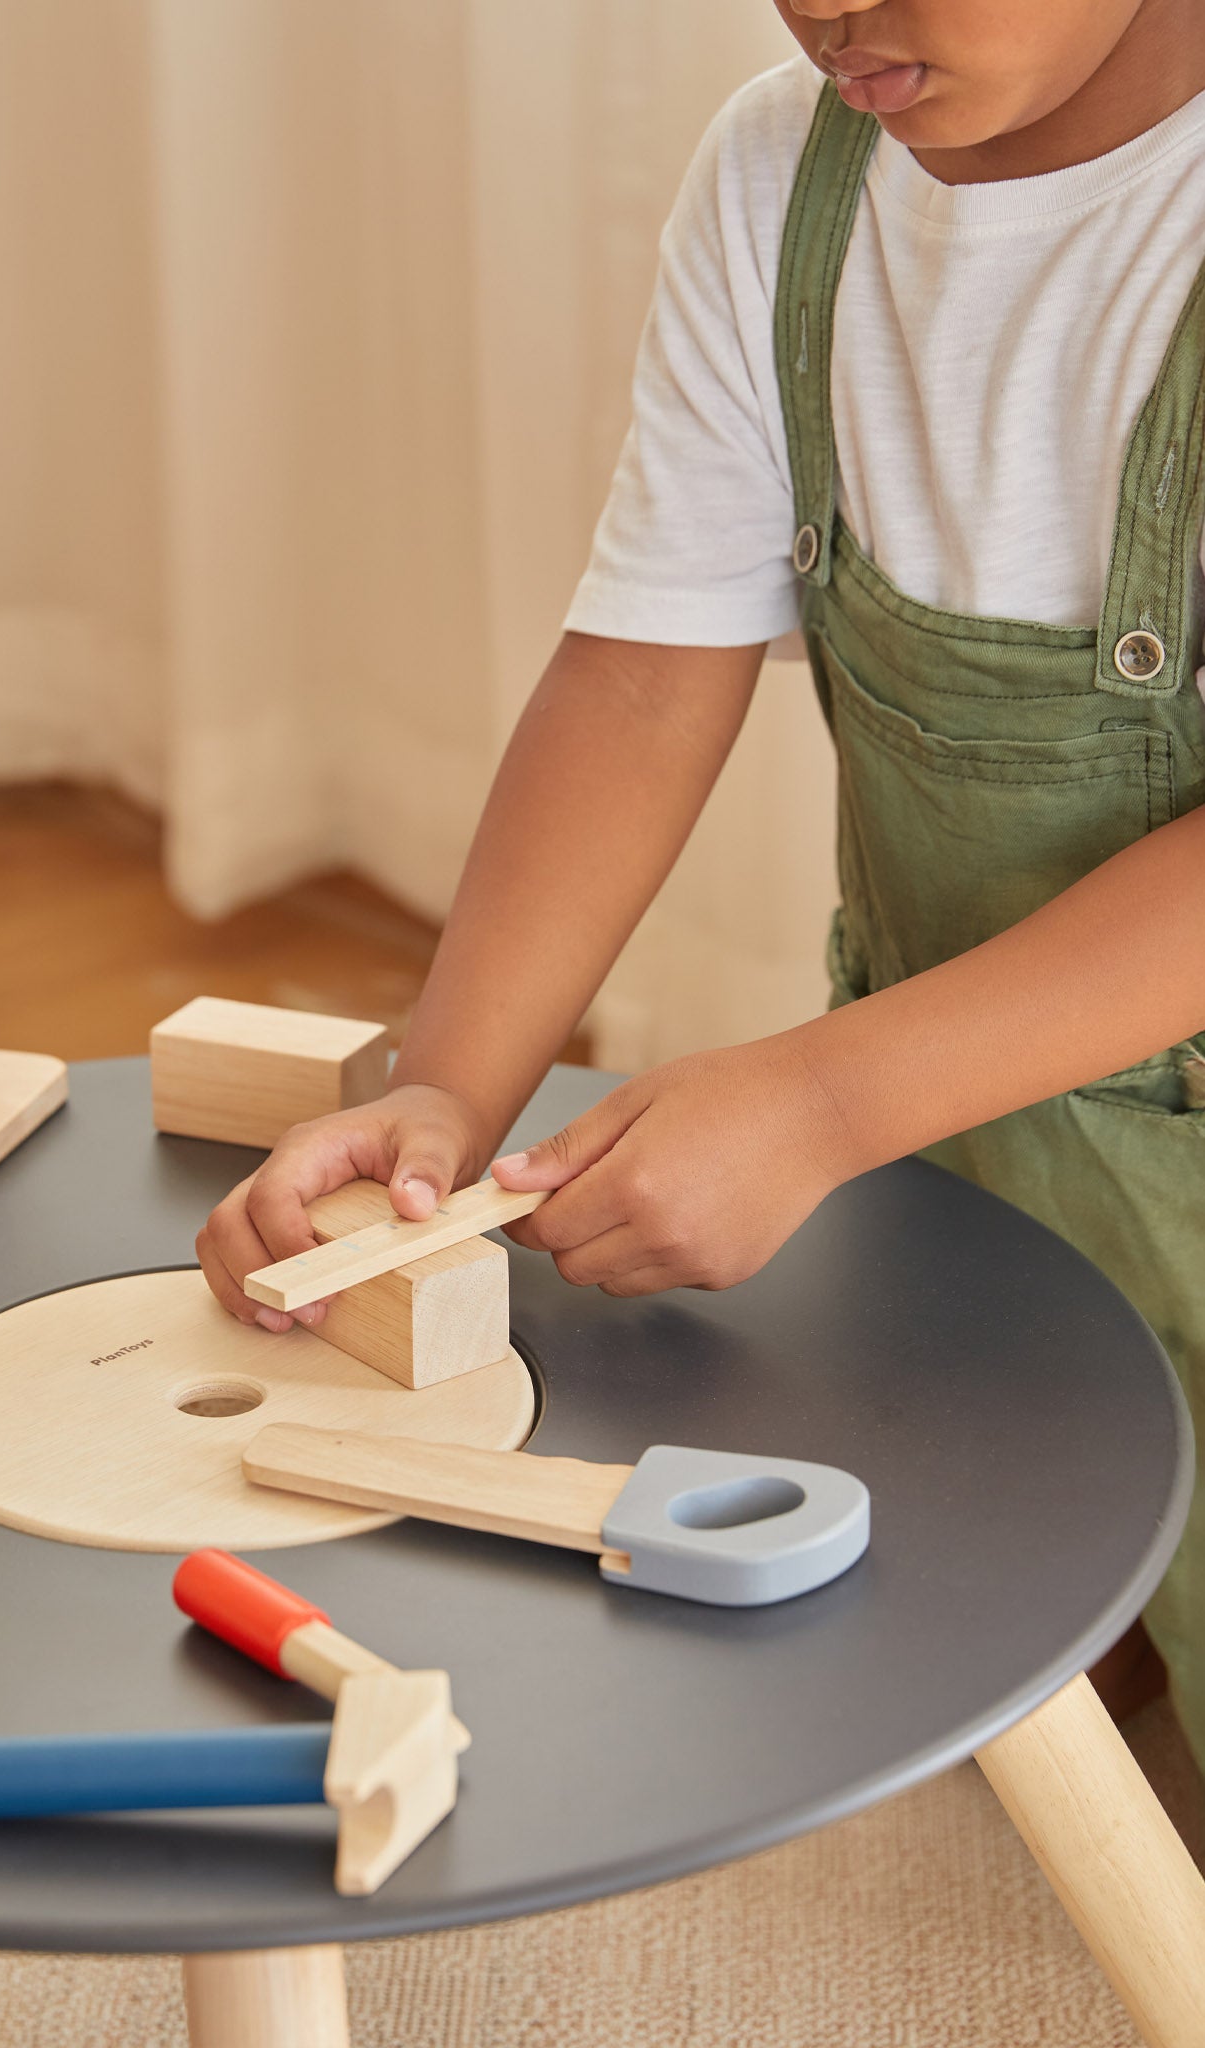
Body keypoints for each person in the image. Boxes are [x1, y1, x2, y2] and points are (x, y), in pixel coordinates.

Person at [196, 0, 1205, 1761]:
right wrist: (448, 1080)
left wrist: (814, 1100)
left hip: (970, 1107)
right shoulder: (784, 177)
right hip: (962, 1140)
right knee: (1022, 1616)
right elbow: (647, 673)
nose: (830, 2)